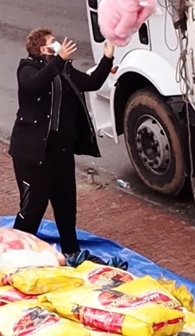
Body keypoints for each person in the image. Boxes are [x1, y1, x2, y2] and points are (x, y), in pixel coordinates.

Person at [9, 27, 115, 257]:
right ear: (41, 49)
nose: (58, 46)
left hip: (62, 152)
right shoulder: (26, 68)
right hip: (34, 154)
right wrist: (58, 60)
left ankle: (71, 251)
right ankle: (15, 255)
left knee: (67, 207)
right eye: (52, 43)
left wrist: (108, 57)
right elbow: (36, 83)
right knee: (33, 208)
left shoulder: (64, 70)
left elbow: (91, 82)